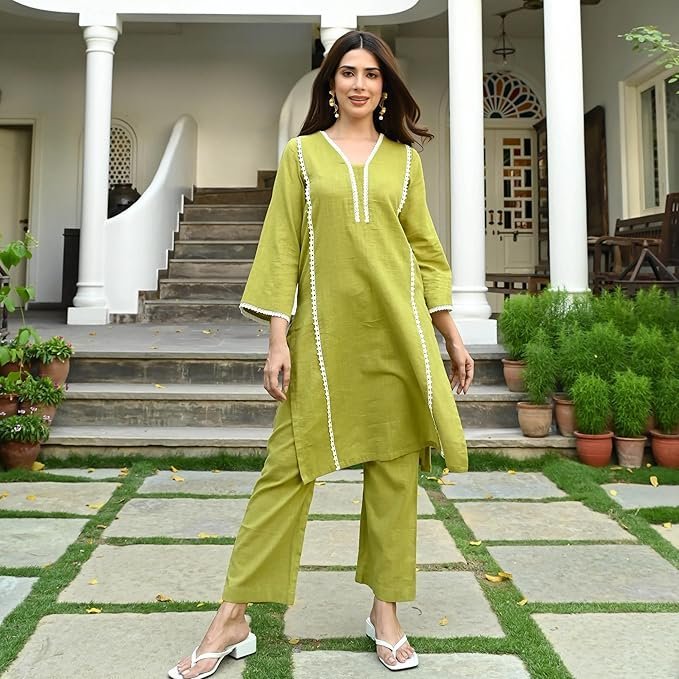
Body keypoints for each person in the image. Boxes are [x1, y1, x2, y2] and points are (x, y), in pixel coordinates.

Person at [169, 30, 473, 679]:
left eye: (372, 74)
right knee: (284, 473)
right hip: (322, 342)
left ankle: (385, 614)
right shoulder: (302, 156)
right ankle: (231, 617)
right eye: (348, 72)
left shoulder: (405, 162)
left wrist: (449, 331)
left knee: (394, 475)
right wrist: (276, 339)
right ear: (330, 82)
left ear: (385, 87)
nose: (360, 83)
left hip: (397, 336)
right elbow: (282, 248)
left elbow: (424, 249)